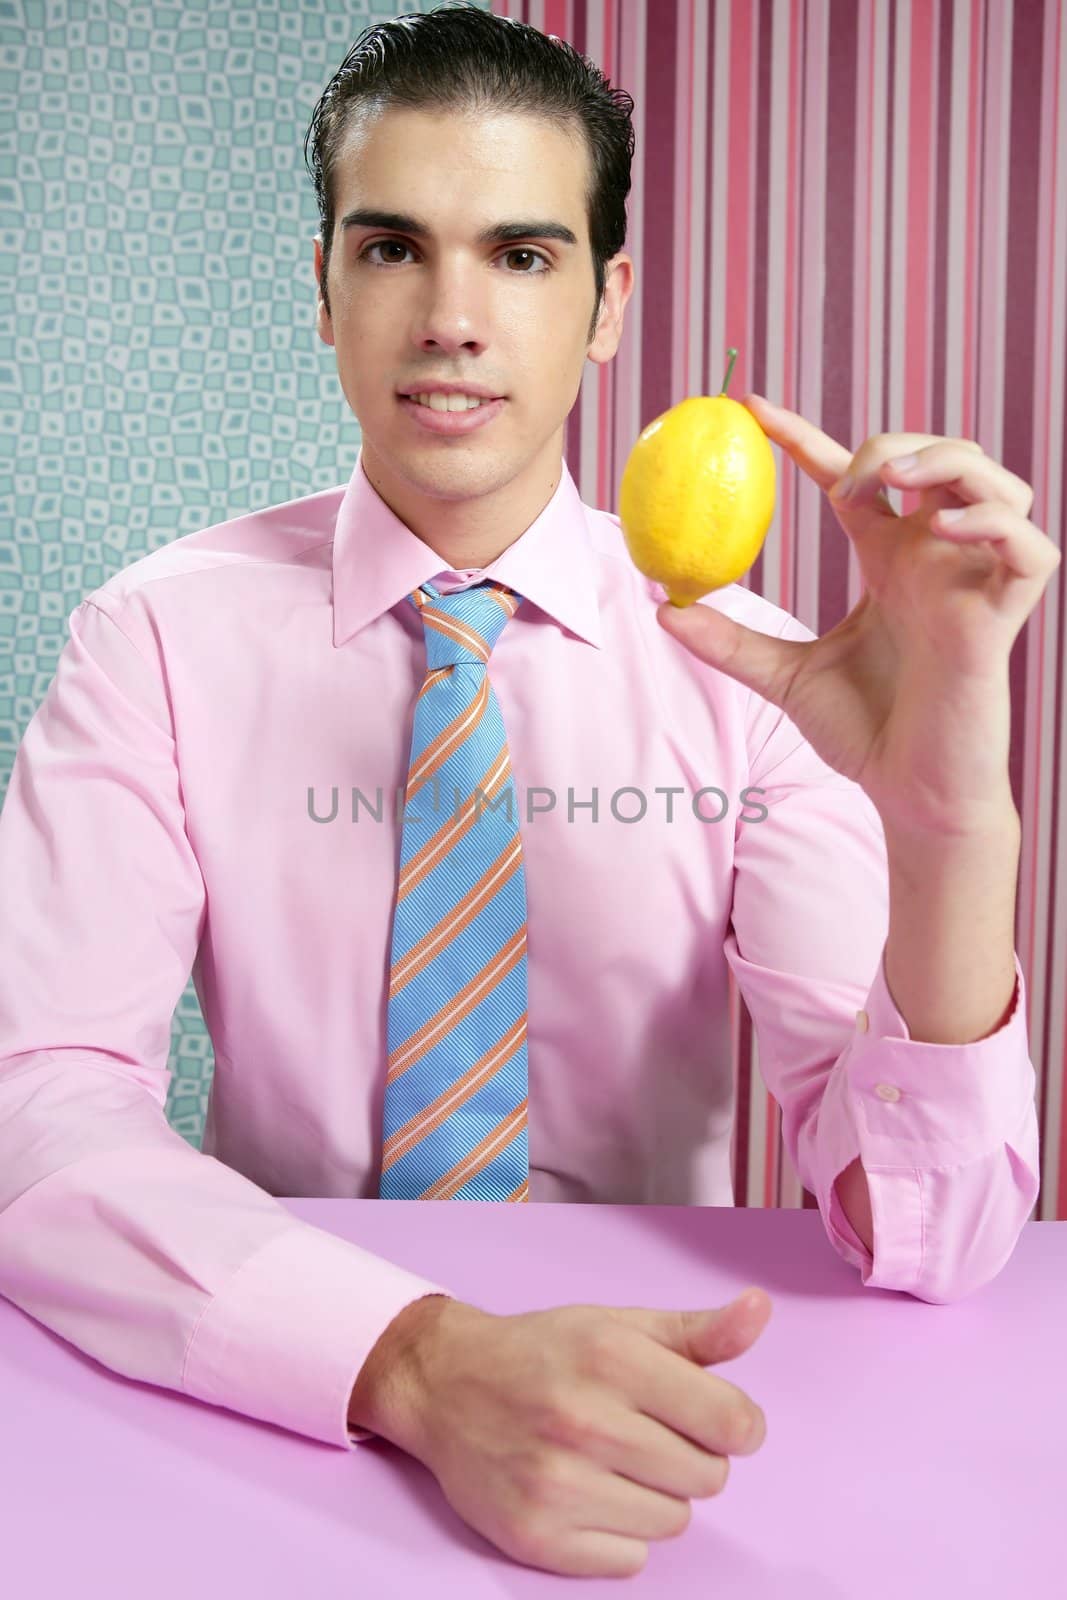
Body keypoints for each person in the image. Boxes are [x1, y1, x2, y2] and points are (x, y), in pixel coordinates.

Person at [0, 3, 1053, 1582]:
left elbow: (929, 1240)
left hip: (668, 1416)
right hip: (263, 1399)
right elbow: (37, 1101)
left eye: (522, 255)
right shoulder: (153, 635)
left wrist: (949, 818)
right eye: (391, 249)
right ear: (324, 285)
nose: (451, 318)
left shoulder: (766, 676)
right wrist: (413, 1360)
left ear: (609, 302)